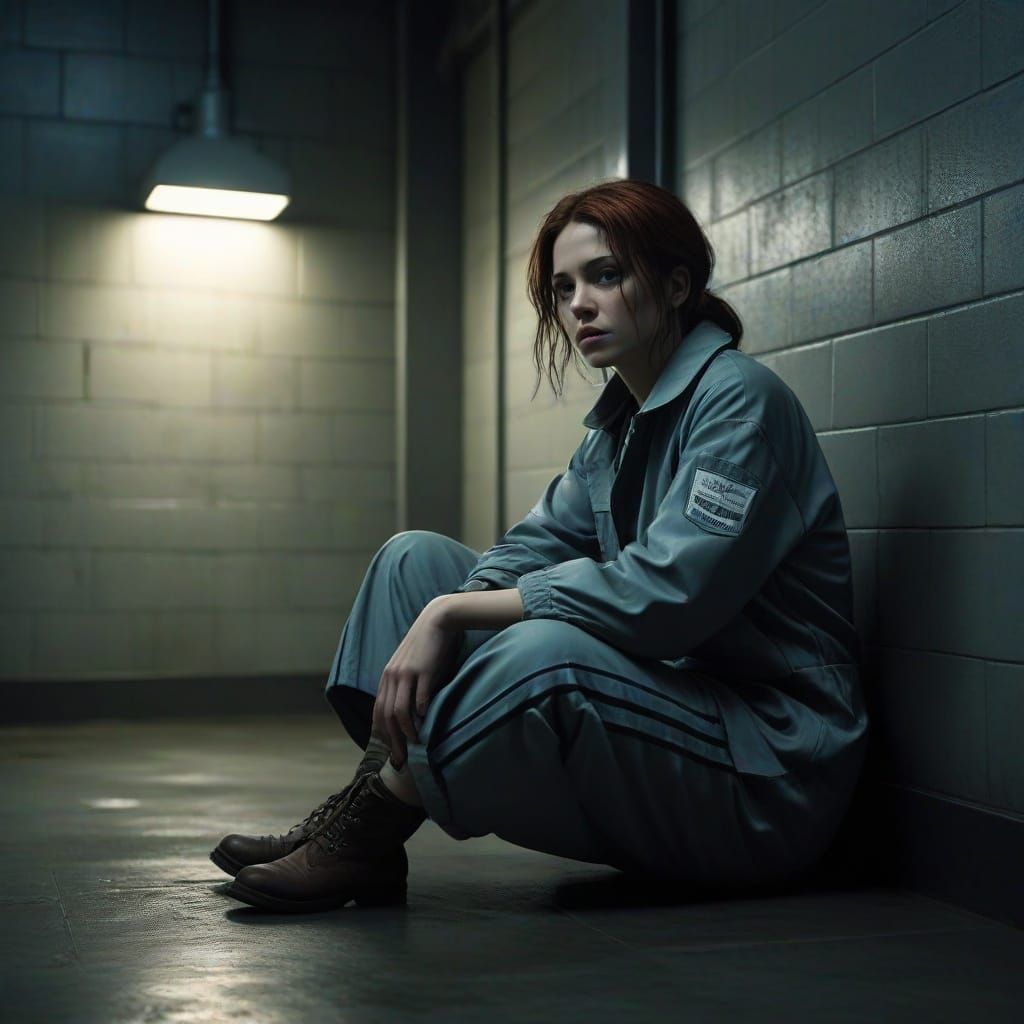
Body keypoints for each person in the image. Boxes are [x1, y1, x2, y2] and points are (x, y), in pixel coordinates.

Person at [211, 178, 869, 914]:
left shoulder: (741, 401)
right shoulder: (617, 428)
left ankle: (363, 833)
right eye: (563, 288)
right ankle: (368, 815)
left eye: (606, 275)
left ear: (677, 284)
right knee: (415, 564)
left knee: (540, 649)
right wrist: (447, 605)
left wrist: (452, 620)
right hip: (669, 722)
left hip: (765, 772)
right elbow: (535, 543)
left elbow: (666, 601)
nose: (579, 303)